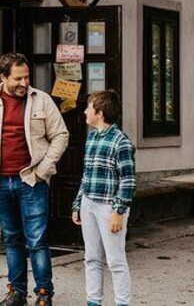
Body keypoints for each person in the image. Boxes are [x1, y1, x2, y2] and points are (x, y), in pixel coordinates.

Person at [0, 53, 69, 306]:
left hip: (31, 182)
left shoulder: (41, 100)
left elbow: (60, 135)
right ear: (3, 77)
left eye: (27, 77)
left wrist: (43, 170)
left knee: (36, 240)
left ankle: (44, 294)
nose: (24, 83)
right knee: (12, 239)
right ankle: (17, 293)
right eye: (18, 78)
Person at [71, 90, 136, 306]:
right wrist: (78, 203)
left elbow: (128, 180)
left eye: (88, 107)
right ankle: (93, 301)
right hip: (89, 203)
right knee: (91, 257)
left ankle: (122, 303)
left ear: (99, 113)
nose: (85, 112)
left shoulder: (121, 142)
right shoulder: (91, 138)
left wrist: (119, 211)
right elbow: (86, 175)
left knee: (115, 260)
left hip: (110, 207)